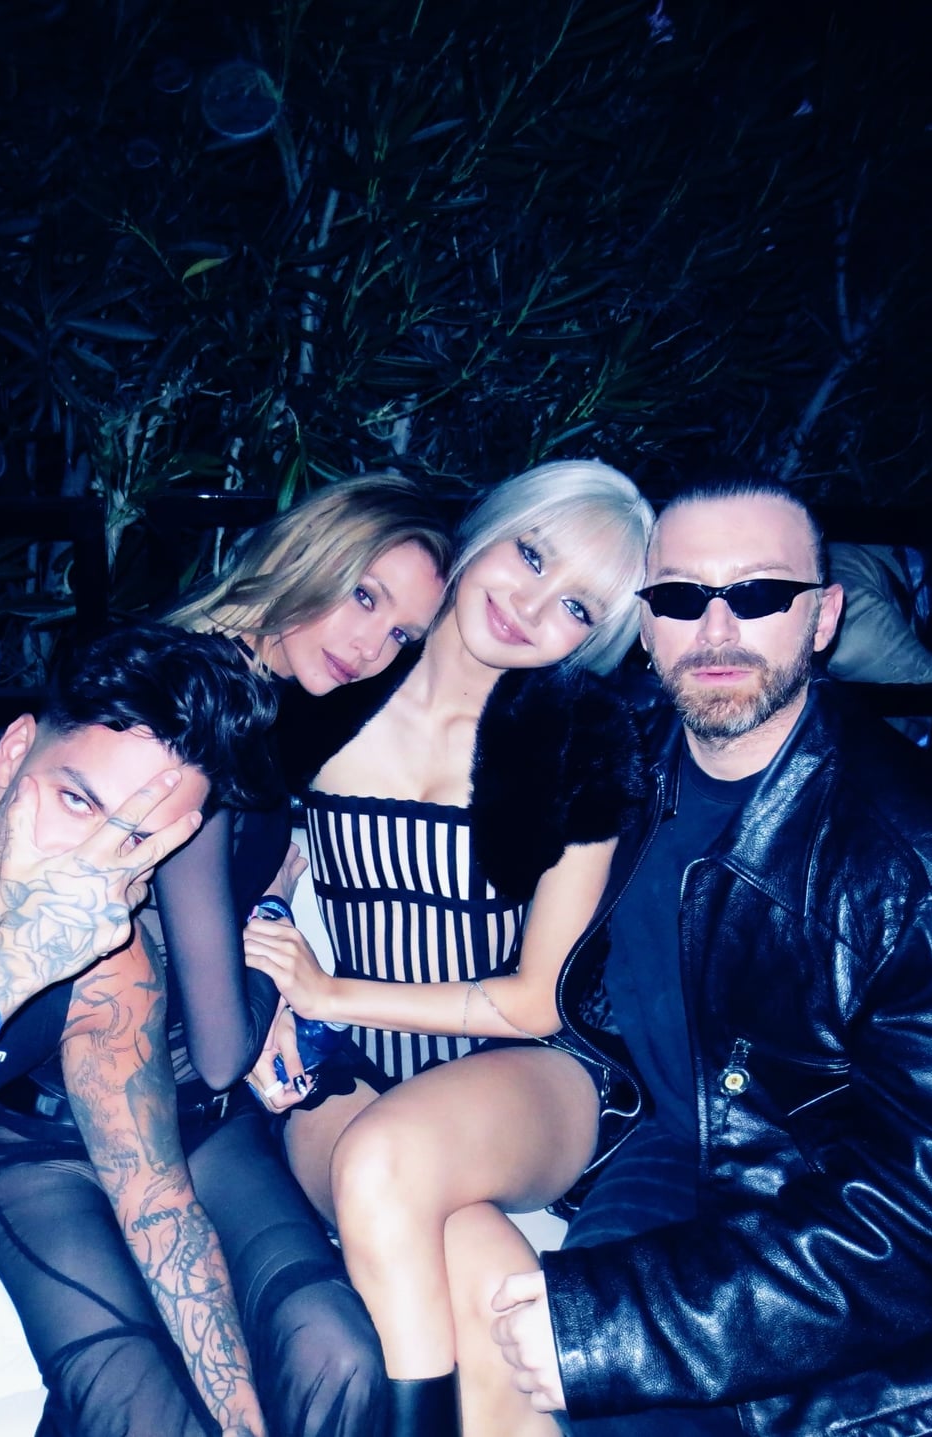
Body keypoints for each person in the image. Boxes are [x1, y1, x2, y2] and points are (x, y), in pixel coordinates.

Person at [0, 475, 452, 1437]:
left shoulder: (249, 692)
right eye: (364, 595)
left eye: (401, 632)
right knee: (145, 1409)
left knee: (340, 1354)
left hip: (201, 1124)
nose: (371, 646)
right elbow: (227, 1046)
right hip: (54, 1142)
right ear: (309, 555)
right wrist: (274, 959)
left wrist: (264, 906)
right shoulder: (191, 718)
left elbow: (217, 950)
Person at [489, 479, 932, 1435]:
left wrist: (622, 1327)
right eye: (683, 596)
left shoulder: (905, 860)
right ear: (646, 627)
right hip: (661, 1136)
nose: (717, 629)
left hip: (816, 1211)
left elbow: (914, 1218)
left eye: (761, 593)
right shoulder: (620, 754)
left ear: (824, 617)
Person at [241, 460, 654, 1436]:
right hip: (350, 1069)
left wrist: (331, 992)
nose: (532, 606)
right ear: (485, 531)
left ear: (595, 641)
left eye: (578, 608)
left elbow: (537, 999)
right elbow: (262, 861)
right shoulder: (338, 682)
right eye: (532, 555)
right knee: (479, 1258)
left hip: (527, 1069)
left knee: (388, 1159)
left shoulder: (578, 739)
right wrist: (272, 981)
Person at [0, 618, 281, 1437]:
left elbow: (158, 1206)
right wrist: (7, 962)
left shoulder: (108, 971)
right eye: (77, 800)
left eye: (137, 841)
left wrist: (241, 1422)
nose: (87, 863)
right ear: (15, 751)